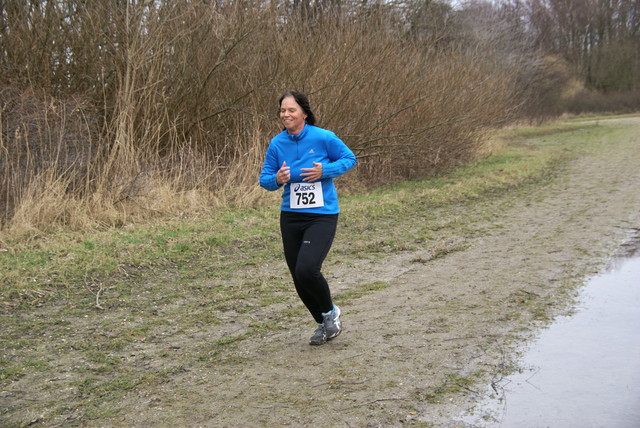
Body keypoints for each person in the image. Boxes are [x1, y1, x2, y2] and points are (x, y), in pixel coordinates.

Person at [259, 90, 357, 345]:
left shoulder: (324, 137)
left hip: (321, 215)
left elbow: (349, 159)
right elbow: (265, 180)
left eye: (291, 110)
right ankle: (323, 323)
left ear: (304, 112)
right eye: (282, 110)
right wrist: (277, 180)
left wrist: (326, 170)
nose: (286, 114)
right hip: (291, 215)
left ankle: (331, 312)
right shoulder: (277, 143)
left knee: (307, 269)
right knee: (297, 275)